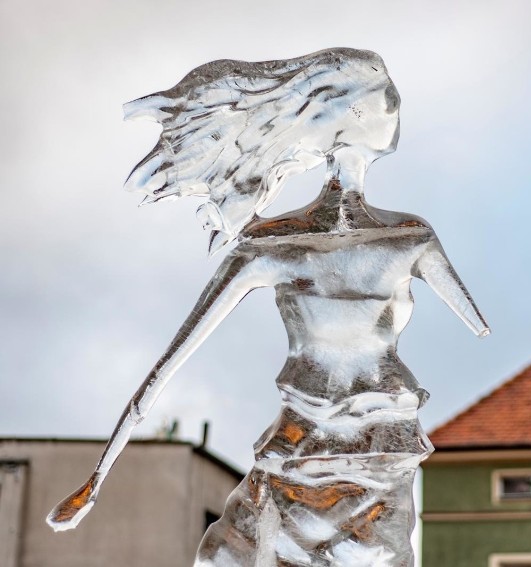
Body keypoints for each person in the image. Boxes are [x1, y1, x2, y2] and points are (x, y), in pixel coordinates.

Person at [47, 48, 488, 567]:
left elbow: (166, 368)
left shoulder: (298, 244)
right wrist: (95, 479)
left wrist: (97, 480)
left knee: (229, 559)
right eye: (389, 100)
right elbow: (476, 321)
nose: (397, 111)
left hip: (354, 449)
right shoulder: (393, 240)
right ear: (354, 116)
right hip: (347, 445)